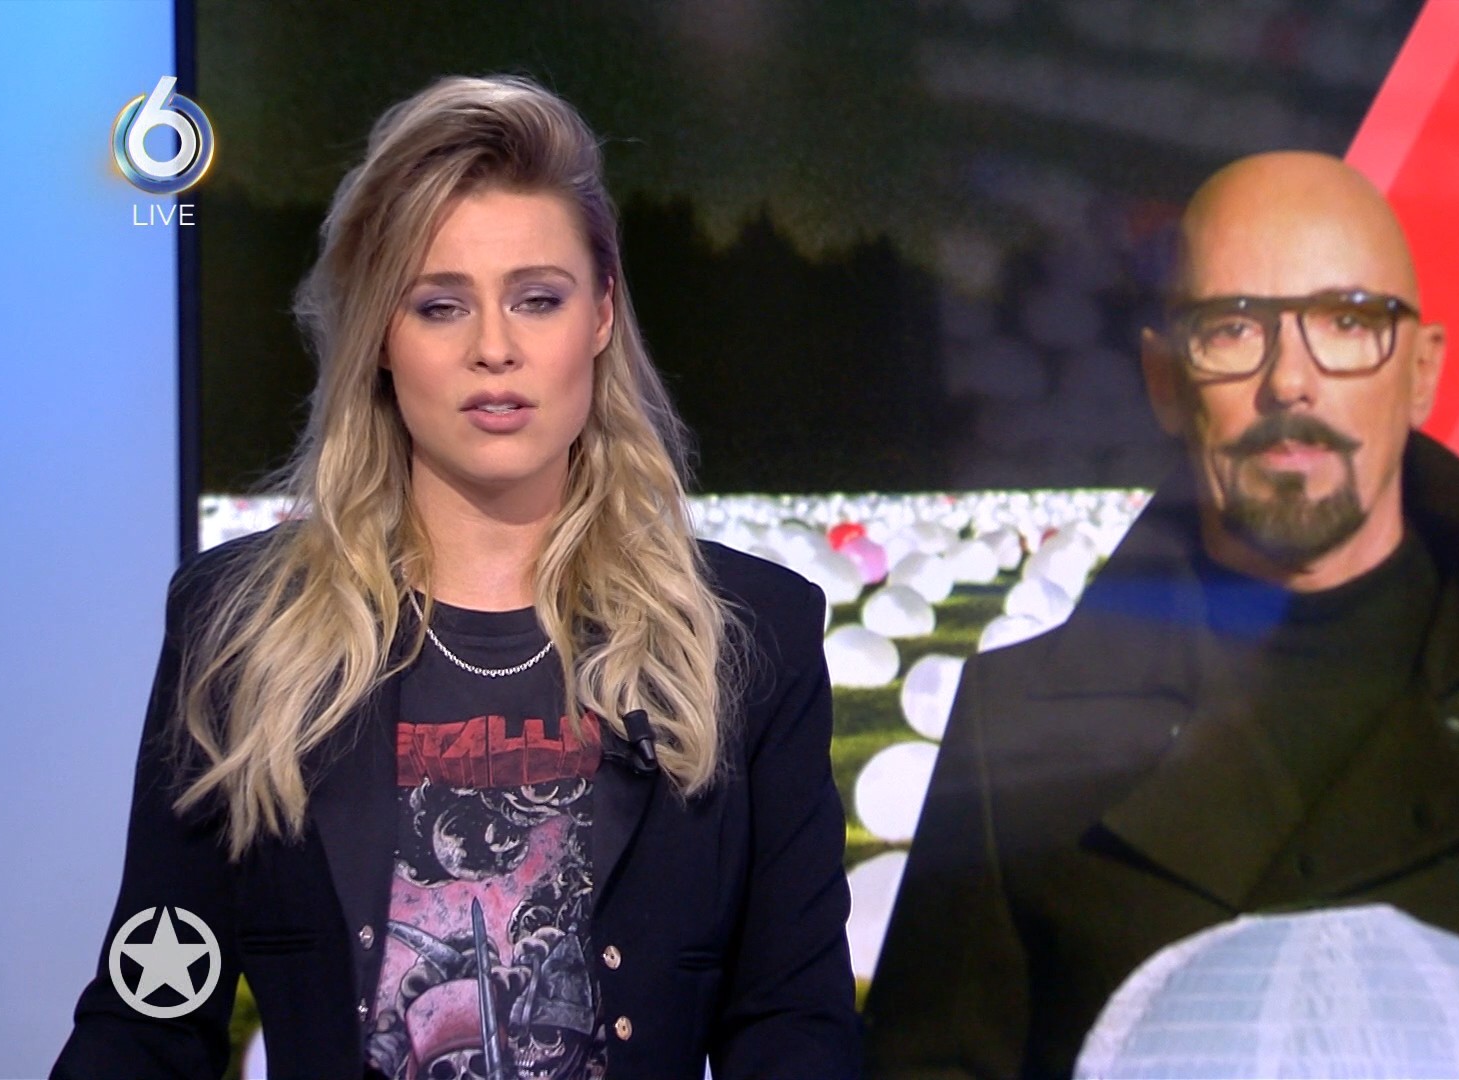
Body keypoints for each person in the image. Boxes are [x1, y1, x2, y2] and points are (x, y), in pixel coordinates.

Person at [862, 151, 1459, 1079]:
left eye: (1348, 321)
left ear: (1421, 370)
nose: (1290, 381)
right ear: (1165, 381)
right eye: (1233, 328)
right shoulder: (1017, 729)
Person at [53, 75, 858, 1079]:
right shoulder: (241, 627)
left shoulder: (752, 634)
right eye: (440, 306)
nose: (494, 350)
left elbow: (794, 1028)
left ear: (601, 314)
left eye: (538, 299)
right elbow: (150, 1020)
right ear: (380, 337)